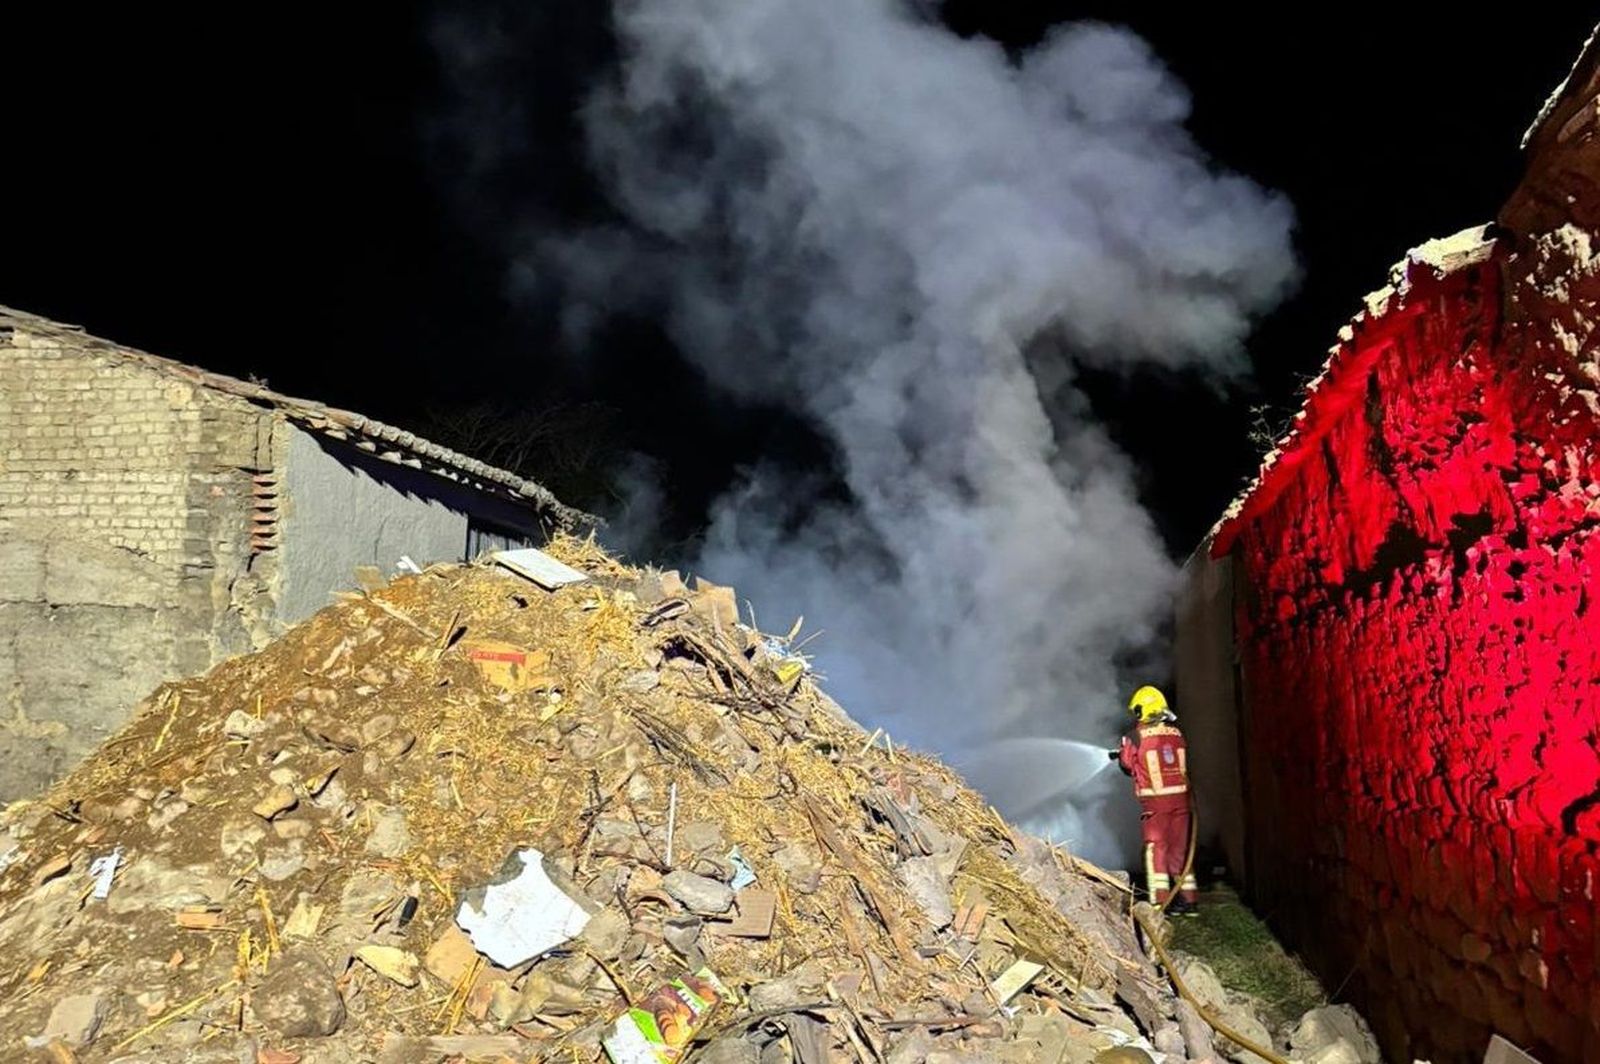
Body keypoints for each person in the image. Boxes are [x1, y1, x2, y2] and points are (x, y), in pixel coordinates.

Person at [1108, 684, 1198, 914]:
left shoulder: (1134, 736)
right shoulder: (1177, 733)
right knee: (1181, 850)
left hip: (1156, 804)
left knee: (1156, 849)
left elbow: (1128, 765)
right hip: (1182, 801)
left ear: (1142, 710)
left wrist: (1122, 756)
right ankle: (1188, 901)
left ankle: (1160, 902)